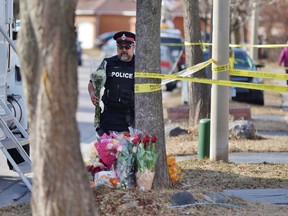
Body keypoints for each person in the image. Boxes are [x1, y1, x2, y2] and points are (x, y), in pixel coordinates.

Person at [88, 31, 135, 137]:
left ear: (133, 47)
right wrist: (92, 94)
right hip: (109, 117)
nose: (123, 50)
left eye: (127, 47)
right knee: (107, 151)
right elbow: (92, 83)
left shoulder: (139, 65)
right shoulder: (108, 63)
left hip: (131, 119)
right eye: (120, 47)